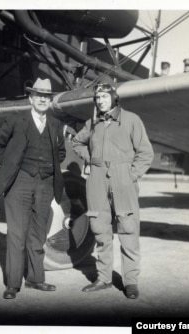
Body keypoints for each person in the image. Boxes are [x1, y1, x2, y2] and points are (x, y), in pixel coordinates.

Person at [72, 82, 154, 299]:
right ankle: (104, 278)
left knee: (128, 230)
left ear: (114, 98)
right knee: (100, 229)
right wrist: (90, 158)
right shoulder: (92, 123)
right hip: (97, 179)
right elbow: (76, 142)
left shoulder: (131, 120)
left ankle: (131, 282)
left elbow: (146, 153)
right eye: (97, 97)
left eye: (104, 97)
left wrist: (130, 176)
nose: (100, 101)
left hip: (123, 179)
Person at [0, 78, 66, 299]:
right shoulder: (16, 120)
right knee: (16, 234)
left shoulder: (55, 124)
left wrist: (49, 170)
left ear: (50, 101)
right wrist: (13, 164)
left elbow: (60, 152)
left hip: (45, 185)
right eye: (38, 95)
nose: (43, 99)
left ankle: (35, 279)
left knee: (38, 234)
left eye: (47, 96)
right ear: (31, 98)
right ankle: (13, 284)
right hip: (19, 183)